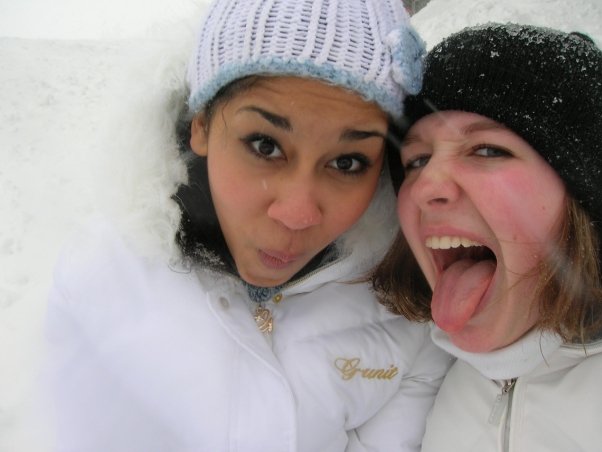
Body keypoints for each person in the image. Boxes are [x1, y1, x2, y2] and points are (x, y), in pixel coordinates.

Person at [42, 1, 451, 451]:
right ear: (200, 125)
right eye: (265, 145)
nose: (297, 214)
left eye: (347, 162)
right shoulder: (101, 279)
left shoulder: (408, 302)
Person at [372, 23, 602, 451]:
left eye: (488, 150)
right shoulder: (431, 374)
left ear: (583, 194)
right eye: (417, 160)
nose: (424, 188)